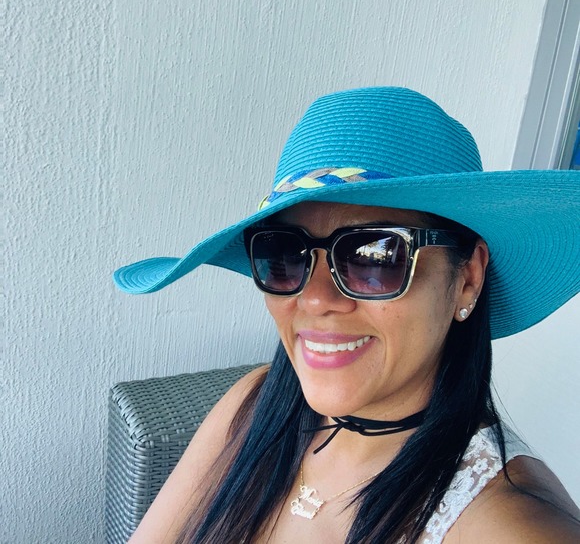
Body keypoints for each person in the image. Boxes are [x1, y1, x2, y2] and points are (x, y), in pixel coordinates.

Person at [114, 87, 580, 543]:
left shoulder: (512, 527)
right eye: (285, 253)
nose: (315, 299)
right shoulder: (252, 404)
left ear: (467, 279)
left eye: (374, 255)